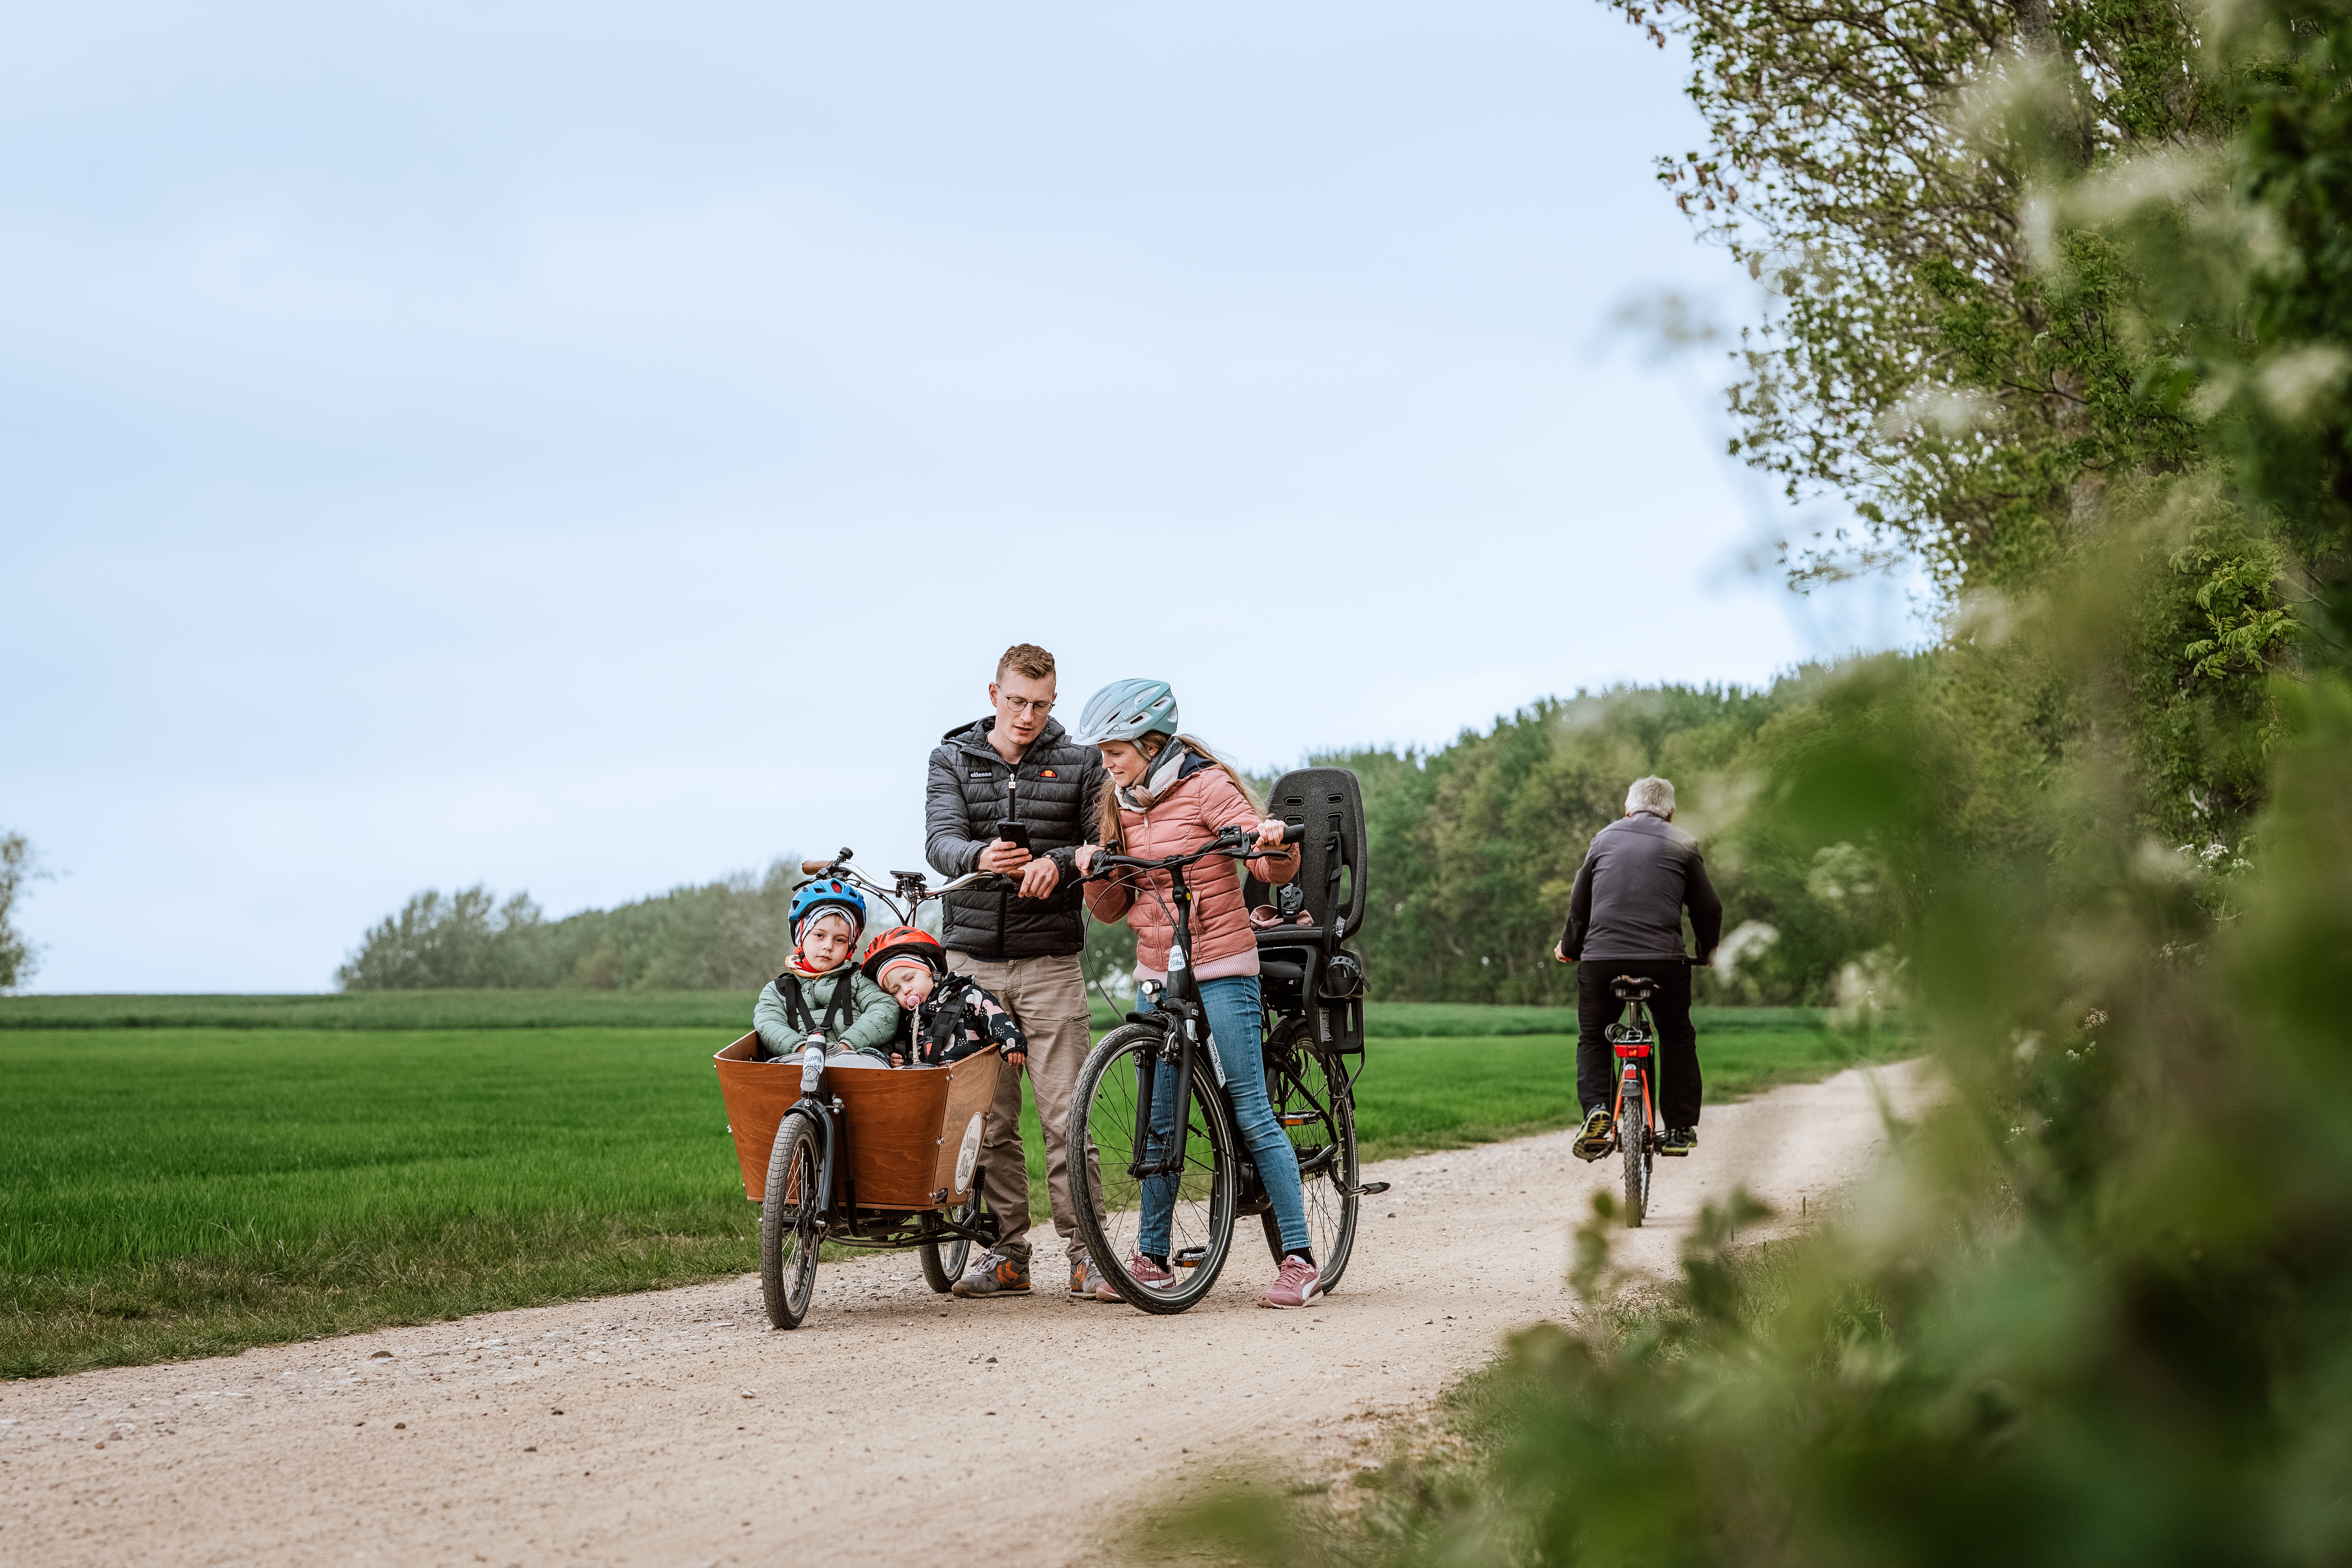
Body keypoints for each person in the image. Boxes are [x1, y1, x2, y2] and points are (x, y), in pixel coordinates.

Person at [1067, 678, 1324, 1310]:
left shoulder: (1207, 784)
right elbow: (1110, 909)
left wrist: (1272, 844)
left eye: (1115, 750)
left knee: (1248, 1105)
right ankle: (1150, 1257)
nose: (1107, 763)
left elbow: (1266, 864)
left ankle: (1299, 1257)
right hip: (1158, 968)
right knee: (1158, 1119)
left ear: (1150, 742)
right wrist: (1092, 870)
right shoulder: (1119, 803)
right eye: (1103, 752)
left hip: (1222, 961)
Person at [924, 643, 1110, 1301]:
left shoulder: (1082, 761)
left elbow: (1101, 844)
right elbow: (940, 842)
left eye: (1041, 703)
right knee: (989, 1122)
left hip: (1051, 962)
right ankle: (1006, 1254)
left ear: (1052, 701)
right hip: (971, 964)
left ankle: (1088, 1255)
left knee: (1067, 1116)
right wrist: (983, 855)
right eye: (1016, 701)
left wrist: (1058, 862)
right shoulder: (950, 757)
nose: (1027, 715)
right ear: (992, 694)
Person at [1553, 775, 1723, 1161]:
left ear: (1627, 809)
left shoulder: (1603, 839)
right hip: (1663, 962)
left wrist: (1570, 947)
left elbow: (1580, 906)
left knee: (1595, 1036)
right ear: (1670, 812)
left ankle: (1597, 1109)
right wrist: (1708, 950)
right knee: (1676, 1034)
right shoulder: (1683, 841)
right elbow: (1709, 908)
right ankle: (1679, 1127)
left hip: (1601, 959)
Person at [752, 876, 898, 1066]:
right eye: (819, 936)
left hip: (856, 1058)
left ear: (850, 946)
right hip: (799, 1060)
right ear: (801, 938)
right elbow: (768, 1023)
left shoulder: (859, 980)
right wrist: (800, 1049)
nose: (828, 946)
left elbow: (885, 1009)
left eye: (840, 940)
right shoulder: (778, 990)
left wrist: (848, 1045)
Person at [860, 925, 1031, 1068]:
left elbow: (994, 1016)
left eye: (910, 978)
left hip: (971, 1074)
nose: (906, 990)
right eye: (896, 990)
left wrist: (1012, 1041)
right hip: (932, 1085)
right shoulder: (906, 1020)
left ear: (931, 972)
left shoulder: (965, 994)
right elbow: (912, 1054)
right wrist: (900, 1059)